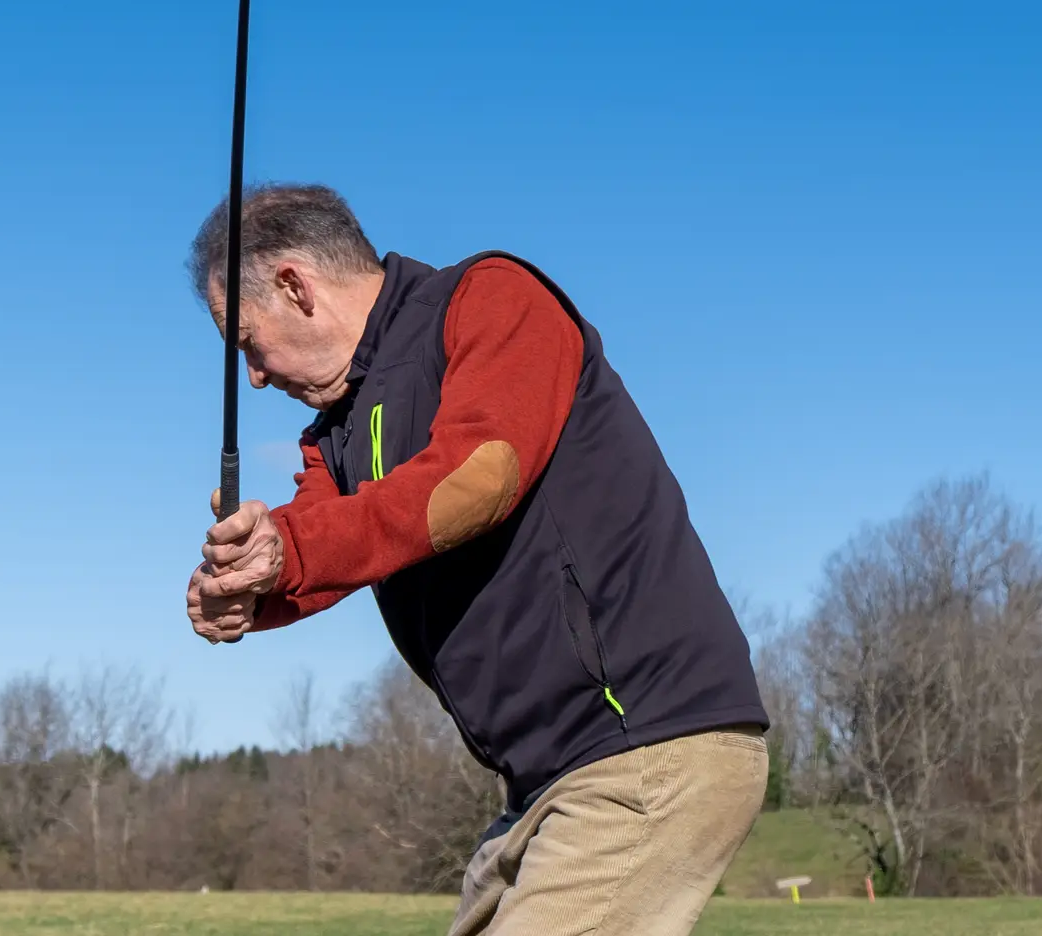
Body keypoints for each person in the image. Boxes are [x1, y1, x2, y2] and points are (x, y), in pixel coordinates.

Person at [184, 183, 769, 936]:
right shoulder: (337, 426)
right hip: (538, 786)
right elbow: (317, 536)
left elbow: (476, 480)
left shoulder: (489, 299)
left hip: (647, 746)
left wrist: (288, 549)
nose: (255, 376)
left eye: (246, 343)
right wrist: (241, 591)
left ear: (296, 286)